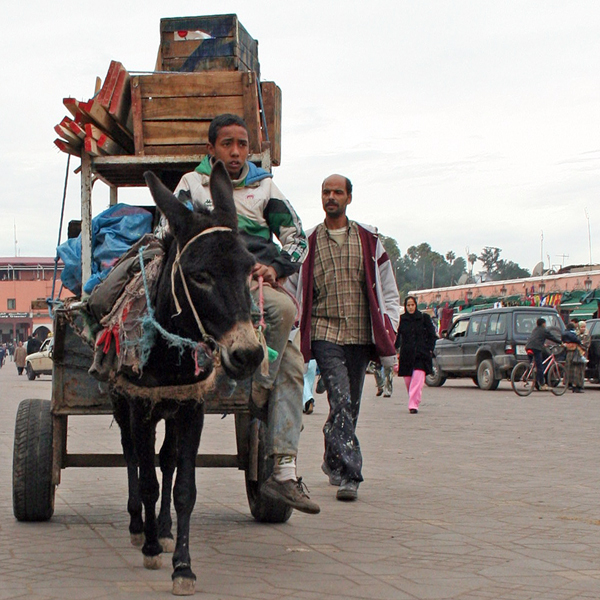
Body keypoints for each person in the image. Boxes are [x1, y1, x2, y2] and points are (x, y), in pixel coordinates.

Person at [163, 113, 319, 515]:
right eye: (227, 144)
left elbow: (297, 239)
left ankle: (277, 442)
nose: (235, 152)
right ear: (211, 148)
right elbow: (168, 234)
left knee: (286, 322)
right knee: (290, 357)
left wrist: (277, 267)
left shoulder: (265, 187)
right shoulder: (190, 185)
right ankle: (246, 367)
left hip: (252, 279)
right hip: (206, 283)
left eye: (243, 144)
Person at [292, 173, 400, 501]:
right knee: (339, 397)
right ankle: (351, 474)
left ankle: (331, 457)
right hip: (325, 332)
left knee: (350, 405)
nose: (331, 197)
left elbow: (388, 290)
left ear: (349, 198)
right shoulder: (308, 242)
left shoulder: (369, 241)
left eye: (338, 192)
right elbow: (292, 287)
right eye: (326, 191)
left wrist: (388, 324)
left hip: (360, 333)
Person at [395, 296, 437, 413]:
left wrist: (429, 349)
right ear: (405, 306)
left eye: (412, 305)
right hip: (406, 356)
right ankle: (413, 399)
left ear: (416, 305)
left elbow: (432, 335)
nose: (410, 307)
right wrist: (393, 350)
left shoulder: (424, 318)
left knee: (417, 381)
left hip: (421, 355)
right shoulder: (402, 320)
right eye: (408, 305)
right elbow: (397, 338)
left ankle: (413, 405)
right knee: (409, 383)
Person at [525, 317, 562, 391]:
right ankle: (542, 384)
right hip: (536, 348)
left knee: (531, 363)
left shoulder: (535, 330)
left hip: (528, 346)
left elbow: (536, 338)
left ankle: (528, 372)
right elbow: (552, 337)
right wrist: (561, 343)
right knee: (540, 367)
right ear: (543, 324)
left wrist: (543, 344)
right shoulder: (544, 330)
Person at [562, 322, 586, 393]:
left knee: (569, 369)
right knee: (577, 370)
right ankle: (577, 386)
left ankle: (569, 384)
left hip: (568, 353)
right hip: (576, 352)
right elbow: (578, 341)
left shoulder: (563, 334)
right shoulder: (573, 334)